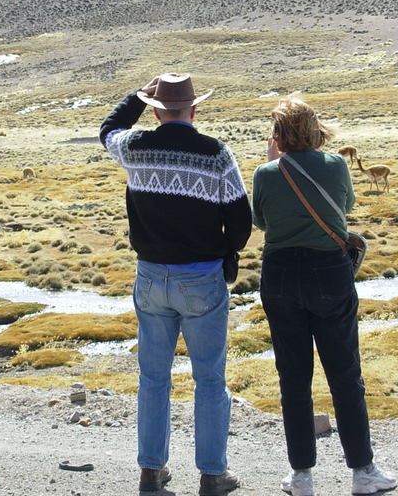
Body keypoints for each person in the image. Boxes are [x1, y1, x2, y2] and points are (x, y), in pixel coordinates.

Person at [100, 72, 252, 496]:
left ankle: (152, 470)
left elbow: (108, 130)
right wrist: (226, 253)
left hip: (150, 275)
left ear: (155, 109)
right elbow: (241, 220)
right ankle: (212, 473)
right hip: (201, 277)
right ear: (194, 108)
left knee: (153, 378)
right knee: (209, 379)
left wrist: (134, 97)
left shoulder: (133, 147)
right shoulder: (217, 153)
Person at [251, 97, 397, 496]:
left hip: (280, 275)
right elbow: (346, 206)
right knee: (346, 375)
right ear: (315, 130)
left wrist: (272, 161)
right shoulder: (335, 165)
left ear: (278, 135)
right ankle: (363, 472)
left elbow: (260, 221)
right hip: (329, 273)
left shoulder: (266, 173)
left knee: (293, 378)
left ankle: (301, 476)